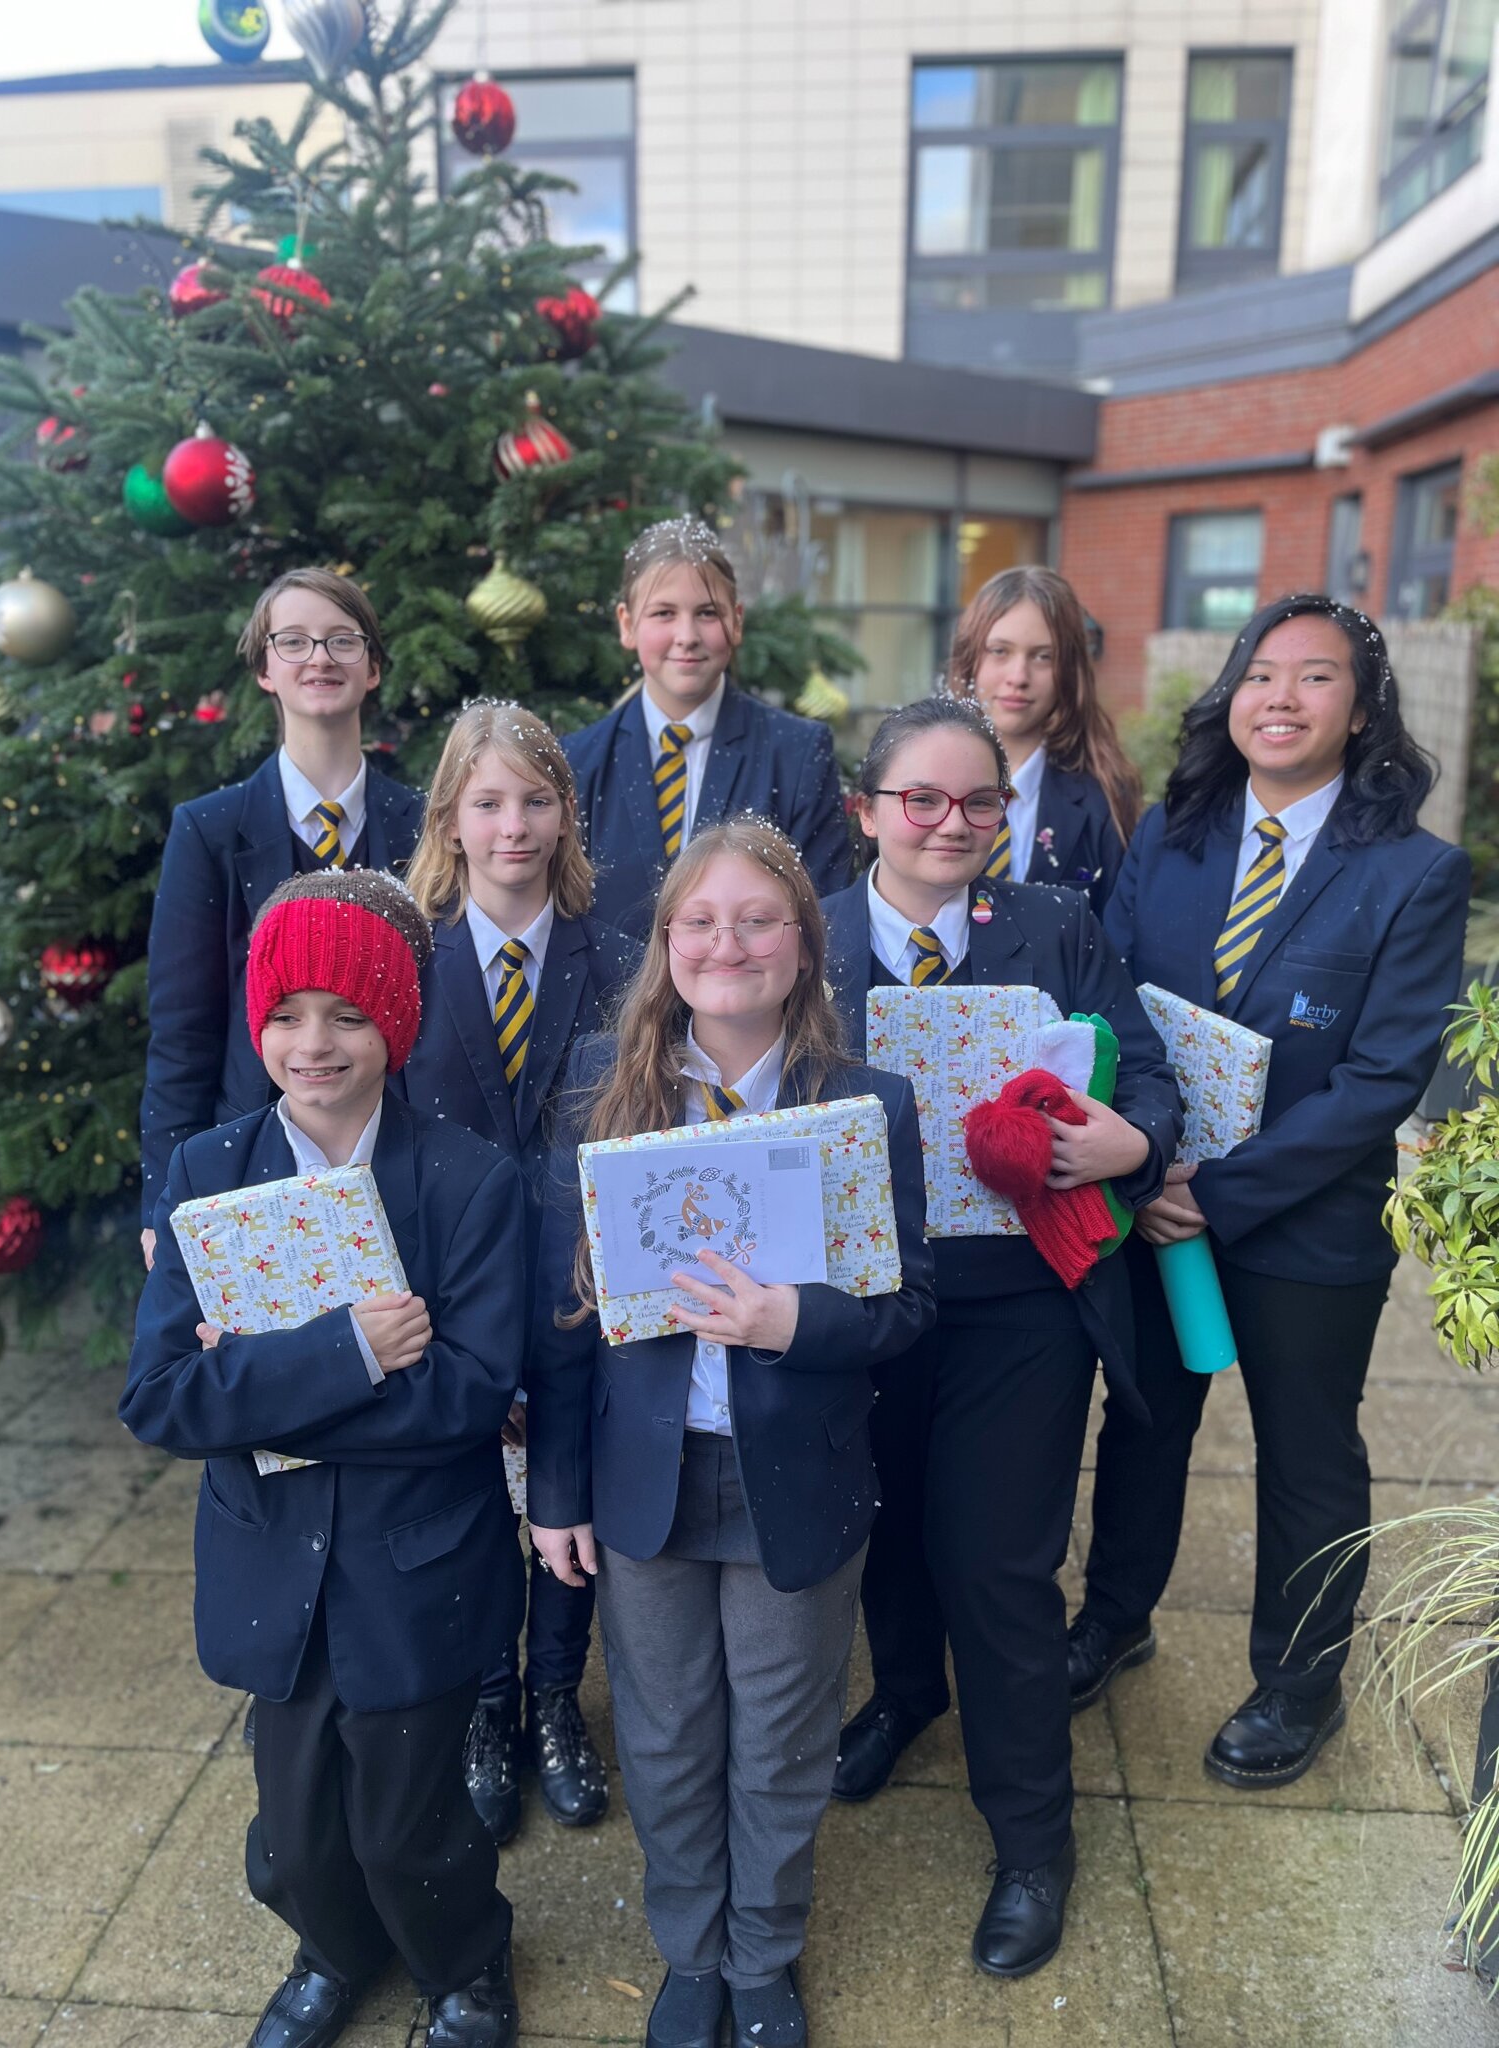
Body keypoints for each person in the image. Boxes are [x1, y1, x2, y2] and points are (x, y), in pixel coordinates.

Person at [525, 819, 935, 2048]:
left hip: (789, 1479)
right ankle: (689, 1946)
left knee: (782, 1727)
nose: (727, 942)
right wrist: (554, 1492)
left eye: (759, 919)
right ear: (665, 947)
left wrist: (790, 1319)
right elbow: (559, 1323)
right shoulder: (601, 1090)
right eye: (699, 921)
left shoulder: (864, 1102)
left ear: (808, 946)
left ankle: (763, 1951)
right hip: (643, 1472)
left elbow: (908, 1302)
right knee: (664, 1725)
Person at [1070, 593, 1471, 1789]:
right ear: (1230, 696)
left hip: (1308, 1223)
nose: (1280, 698)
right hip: (1158, 1200)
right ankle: (1114, 1615)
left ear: (1363, 710)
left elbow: (1380, 1079)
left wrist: (1220, 1189)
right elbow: (1115, 1005)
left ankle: (1300, 1683)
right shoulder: (1172, 838)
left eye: (1315, 678)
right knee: (1144, 1421)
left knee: (1308, 1452)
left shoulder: (1413, 871)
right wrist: (1148, 1166)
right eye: (1261, 674)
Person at [123, 868, 526, 2048]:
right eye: (288, 1012)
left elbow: (467, 1392)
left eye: (348, 1013)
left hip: (417, 1562)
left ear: (394, 1024)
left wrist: (246, 1387)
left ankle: (465, 1960)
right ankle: (333, 1950)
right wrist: (345, 1352)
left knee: (412, 1821)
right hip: (271, 1570)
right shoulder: (209, 1172)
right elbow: (158, 1394)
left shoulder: (467, 1183)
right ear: (258, 1023)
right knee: (294, 1833)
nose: (315, 1042)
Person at [822, 693, 1181, 1976]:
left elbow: (1145, 1075)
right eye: (921, 797)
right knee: (889, 1529)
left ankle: (1034, 1836)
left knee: (997, 1563)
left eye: (979, 800)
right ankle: (910, 1692)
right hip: (865, 1303)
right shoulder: (801, 935)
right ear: (868, 811)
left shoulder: (1052, 925)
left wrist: (1131, 1141)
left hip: (1023, 1303)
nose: (953, 821)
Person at [401, 698, 638, 1843]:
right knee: (471, 1505)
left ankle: (554, 1695)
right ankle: (490, 1702)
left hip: (578, 1284)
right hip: (451, 1290)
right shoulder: (408, 962)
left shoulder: (620, 959)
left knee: (566, 1497)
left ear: (565, 812)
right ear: (450, 815)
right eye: (488, 801)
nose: (513, 825)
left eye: (536, 799)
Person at [140, 567, 422, 1268]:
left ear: (374, 667)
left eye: (342, 641)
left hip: (404, 1158)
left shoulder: (424, 827)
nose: (319, 658)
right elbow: (183, 1032)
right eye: (293, 642)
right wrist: (164, 1206)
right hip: (253, 1162)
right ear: (265, 668)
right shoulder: (209, 831)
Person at [561, 517, 853, 941]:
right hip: (612, 1004)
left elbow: (823, 911)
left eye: (707, 613)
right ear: (626, 624)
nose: (687, 635)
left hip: (754, 1000)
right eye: (664, 613)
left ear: (736, 620)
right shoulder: (580, 761)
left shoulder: (796, 754)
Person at [947, 565, 1141, 918]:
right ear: (970, 658)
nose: (1018, 677)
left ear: (1069, 669)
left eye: (1042, 656)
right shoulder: (915, 782)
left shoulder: (1105, 799)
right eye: (1000, 651)